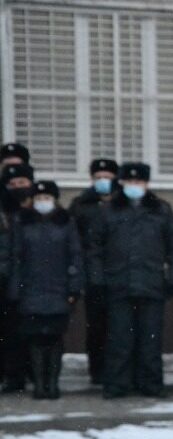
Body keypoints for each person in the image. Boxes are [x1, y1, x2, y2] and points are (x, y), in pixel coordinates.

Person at [87, 163, 173, 399]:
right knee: (119, 339)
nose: (134, 187)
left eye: (139, 182)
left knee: (150, 339)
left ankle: (150, 383)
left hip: (152, 285)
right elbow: (94, 249)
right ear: (121, 184)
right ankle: (117, 385)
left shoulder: (161, 210)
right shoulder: (108, 211)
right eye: (130, 182)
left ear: (147, 184)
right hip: (118, 284)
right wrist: (98, 279)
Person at [7, 180, 83, 399]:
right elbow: (17, 258)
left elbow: (75, 256)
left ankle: (53, 383)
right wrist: (16, 289)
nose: (42, 202)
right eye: (38, 198)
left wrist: (74, 288)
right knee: (35, 339)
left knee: (54, 338)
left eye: (47, 198)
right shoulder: (22, 223)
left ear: (55, 200)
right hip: (31, 290)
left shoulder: (66, 223)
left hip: (58, 290)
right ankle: (40, 384)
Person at [69, 158, 120, 384]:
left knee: (119, 325)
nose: (103, 181)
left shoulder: (122, 203)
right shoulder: (81, 205)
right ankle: (97, 370)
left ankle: (117, 368)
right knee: (97, 325)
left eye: (107, 177)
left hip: (119, 273)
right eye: (98, 177)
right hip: (93, 275)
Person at [1, 162, 37, 393]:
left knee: (37, 333)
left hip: (37, 282)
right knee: (10, 334)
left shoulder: (41, 210)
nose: (17, 187)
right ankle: (13, 377)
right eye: (12, 184)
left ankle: (38, 375)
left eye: (22, 183)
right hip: (6, 284)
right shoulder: (4, 213)